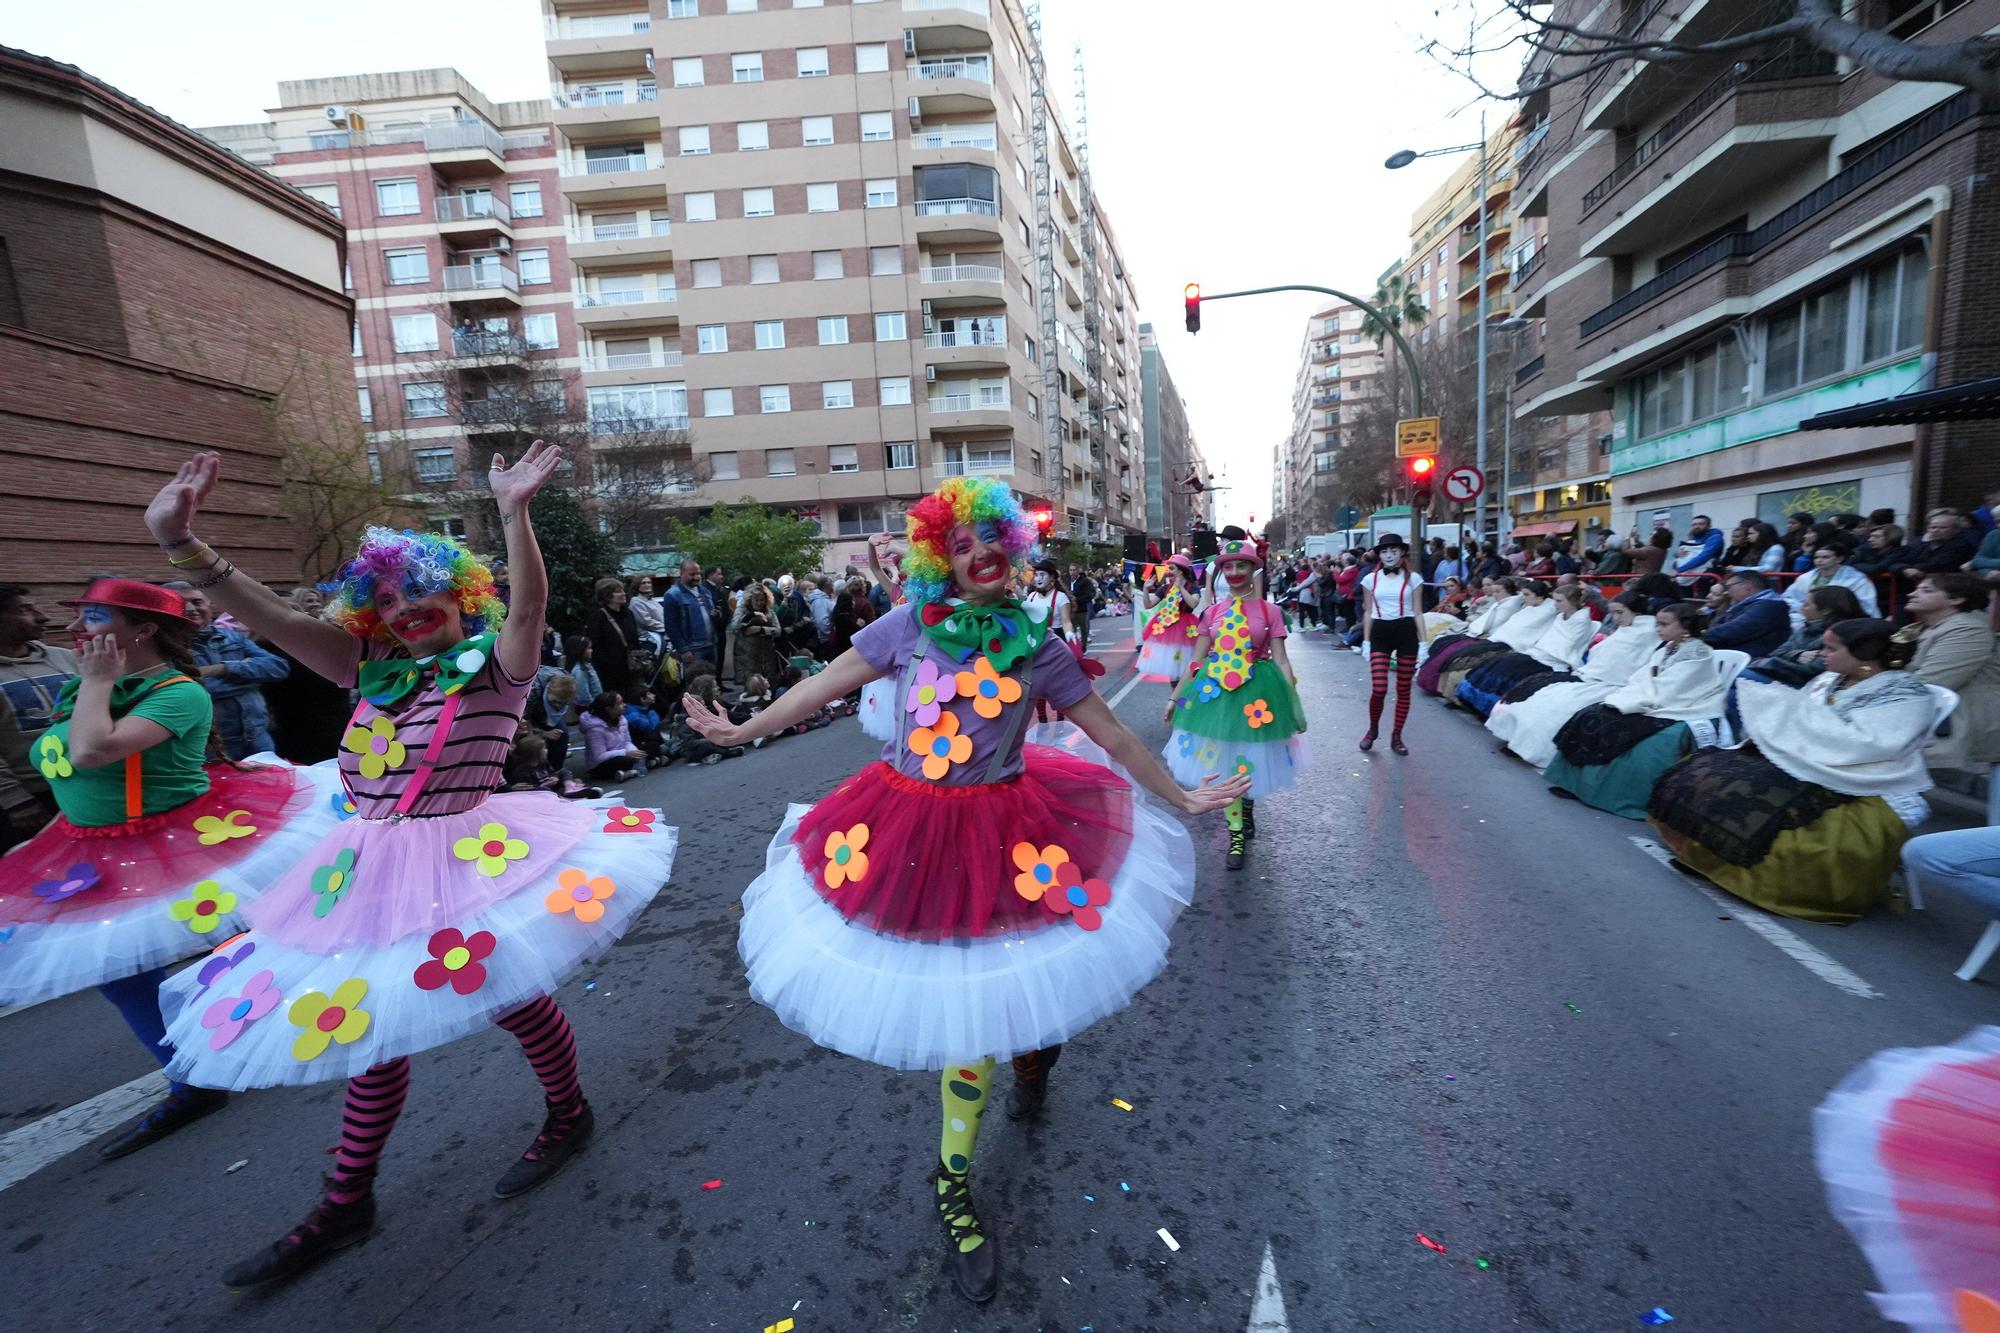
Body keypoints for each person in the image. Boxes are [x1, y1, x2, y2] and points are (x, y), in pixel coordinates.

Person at [679, 476, 1246, 1304]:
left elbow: (1114, 731)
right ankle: (952, 1182)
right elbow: (821, 683)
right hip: (910, 829)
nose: (979, 555)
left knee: (1025, 994)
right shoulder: (908, 624)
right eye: (961, 544)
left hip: (1014, 831)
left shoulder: (1040, 643)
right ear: (940, 557)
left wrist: (1183, 794)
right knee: (969, 1020)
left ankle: (1036, 1053)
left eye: (992, 541)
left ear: (1013, 551)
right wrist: (743, 729)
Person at [141, 445, 676, 1287]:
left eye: (420, 587)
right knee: (365, 1022)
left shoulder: (496, 671)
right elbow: (274, 618)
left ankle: (568, 1112)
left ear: (461, 594)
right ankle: (348, 1197)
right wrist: (184, 547)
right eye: (385, 597)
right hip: (367, 866)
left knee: (510, 994)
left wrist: (515, 515)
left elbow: (530, 608)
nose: (403, 606)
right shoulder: (369, 673)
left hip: (463, 852)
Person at [0, 578, 336, 1158]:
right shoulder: (92, 683)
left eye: (95, 617)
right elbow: (65, 768)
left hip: (176, 841)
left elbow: (88, 752)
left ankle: (265, 1032)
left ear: (144, 629)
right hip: (89, 847)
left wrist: (96, 683)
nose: (80, 630)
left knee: (231, 946)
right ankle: (192, 1079)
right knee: (118, 970)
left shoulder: (179, 693)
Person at [1648, 619, 1935, 923]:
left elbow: (1873, 744)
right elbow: (1806, 714)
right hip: (1811, 756)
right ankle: (1705, 859)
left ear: (1864, 654)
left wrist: (1797, 725)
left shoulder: (1904, 693)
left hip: (1863, 772)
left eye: (1831, 648)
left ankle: (1760, 881)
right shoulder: (1833, 678)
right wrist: (1790, 727)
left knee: (1760, 794)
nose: (1820, 653)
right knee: (1716, 768)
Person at [1163, 535, 1307, 870]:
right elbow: (1197, 662)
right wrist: (1176, 698)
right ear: (1222, 571)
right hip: (1216, 695)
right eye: (1228, 566)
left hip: (1257, 694)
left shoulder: (1270, 611)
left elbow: (1282, 660)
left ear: (1253, 569)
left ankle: (1246, 808)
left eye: (1242, 564)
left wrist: (1291, 699)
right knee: (1224, 764)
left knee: (1248, 759)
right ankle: (1236, 833)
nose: (1235, 571)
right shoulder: (1212, 612)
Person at [1544, 602, 1732, 818]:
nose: (1658, 629)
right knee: (1592, 714)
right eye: (1657, 624)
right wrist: (1635, 695)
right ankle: (1572, 783)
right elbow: (1644, 675)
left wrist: (1642, 699)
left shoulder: (1699, 653)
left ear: (1685, 627)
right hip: (1653, 698)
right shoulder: (1669, 647)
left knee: (1629, 734)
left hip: (1683, 706)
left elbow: (1678, 687)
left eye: (1664, 624)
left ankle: (1601, 793)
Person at [1489, 590, 1656, 769]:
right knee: (1542, 696)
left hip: (1610, 683)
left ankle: (1532, 750)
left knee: (1559, 707)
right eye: (1613, 613)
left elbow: (1626, 665)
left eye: (1620, 613)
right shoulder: (1628, 629)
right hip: (1590, 676)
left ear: (1636, 611)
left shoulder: (1645, 633)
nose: (1615, 619)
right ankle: (1518, 742)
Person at [0, 583, 78, 845]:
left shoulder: (66, 658)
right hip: (33, 799)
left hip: (90, 783)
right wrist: (15, 800)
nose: (43, 617)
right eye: (25, 610)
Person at [176, 584, 290, 759]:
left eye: (197, 601)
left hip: (259, 738)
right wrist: (250, 681)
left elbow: (279, 667)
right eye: (182, 603)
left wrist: (222, 669)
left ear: (208, 604)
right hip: (211, 747)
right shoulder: (167, 646)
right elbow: (190, 693)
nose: (191, 608)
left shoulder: (231, 637)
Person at [1903, 573, 2000, 776]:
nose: (1912, 594)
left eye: (1926, 590)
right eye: (1917, 588)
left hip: (1962, 723)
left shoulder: (1967, 630)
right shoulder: (1918, 629)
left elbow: (1931, 682)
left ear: (1956, 599)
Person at [1454, 583, 1595, 719]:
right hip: (1539, 653)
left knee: (1513, 669)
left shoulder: (1582, 621)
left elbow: (1567, 644)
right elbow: (1550, 637)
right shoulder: (1560, 615)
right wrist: (1538, 649)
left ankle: (1492, 709)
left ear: (1571, 602)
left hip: (1555, 659)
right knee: (1500, 661)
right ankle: (1473, 701)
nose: (1555, 604)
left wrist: (1542, 650)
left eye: (1559, 601)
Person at [259, 587, 350, 763]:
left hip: (339, 730)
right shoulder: (263, 652)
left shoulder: (324, 643)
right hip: (294, 736)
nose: (287, 616)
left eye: (293, 610)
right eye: (279, 611)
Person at [1438, 579, 1561, 704]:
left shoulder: (1548, 610)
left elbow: (1527, 630)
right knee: (1457, 651)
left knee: (1483, 663)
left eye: (1527, 595)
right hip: (1499, 639)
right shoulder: (1529, 607)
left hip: (1516, 645)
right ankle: (1450, 693)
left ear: (1539, 596)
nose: (1523, 598)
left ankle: (1463, 698)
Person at [1358, 535, 1423, 754]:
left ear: (1402, 553)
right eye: (1385, 551)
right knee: (1379, 688)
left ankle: (1397, 736)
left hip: (1406, 632)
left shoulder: (1414, 579)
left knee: (1404, 689)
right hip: (1380, 633)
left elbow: (1418, 611)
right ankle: (1372, 729)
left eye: (1394, 551)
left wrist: (1424, 643)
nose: (1389, 555)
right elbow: (1368, 611)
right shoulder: (1370, 579)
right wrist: (1366, 641)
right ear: (1379, 554)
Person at [1743, 585, 1864, 687]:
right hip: (1784, 675)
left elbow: (1814, 670)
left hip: (1807, 685)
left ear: (1825, 610)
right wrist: (1797, 654)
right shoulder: (1805, 628)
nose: (1802, 608)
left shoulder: (1841, 635)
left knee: (1738, 678)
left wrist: (1772, 663)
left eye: (1806, 605)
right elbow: (1776, 652)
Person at [1782, 533, 1880, 628]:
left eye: (1825, 557)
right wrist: (1802, 610)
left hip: (1840, 621)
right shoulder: (1805, 578)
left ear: (1839, 559)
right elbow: (1790, 598)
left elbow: (1865, 605)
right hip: (1804, 617)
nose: (1819, 560)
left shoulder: (1857, 579)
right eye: (1816, 557)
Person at [1134, 556, 1202, 681]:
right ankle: (1174, 699)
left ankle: (1185, 697)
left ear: (1180, 571)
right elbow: (1148, 605)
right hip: (1168, 627)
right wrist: (1145, 589)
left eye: (1171, 568)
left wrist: (1180, 587)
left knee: (1188, 669)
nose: (1168, 571)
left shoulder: (1192, 588)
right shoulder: (1165, 588)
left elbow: (1193, 603)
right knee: (1173, 668)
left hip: (1186, 629)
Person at [1702, 570, 1792, 658]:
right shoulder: (1747, 604)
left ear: (1747, 587)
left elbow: (1732, 632)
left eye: (1729, 587)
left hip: (1750, 661)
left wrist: (1700, 638)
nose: (1727, 592)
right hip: (1733, 655)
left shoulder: (1769, 606)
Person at [586, 575, 646, 698]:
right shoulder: (598, 617)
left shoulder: (628, 614)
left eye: (623, 590)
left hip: (632, 669)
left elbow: (634, 639)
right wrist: (609, 665)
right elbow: (595, 645)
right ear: (607, 595)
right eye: (618, 592)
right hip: (611, 673)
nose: (623, 594)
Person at [663, 558, 719, 669]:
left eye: (698, 573)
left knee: (711, 681)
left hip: (711, 644)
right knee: (695, 682)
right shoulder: (672, 595)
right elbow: (671, 625)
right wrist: (683, 649)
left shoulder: (704, 591)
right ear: (681, 574)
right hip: (692, 649)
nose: (696, 577)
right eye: (692, 574)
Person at [578, 691, 645, 782]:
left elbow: (627, 741)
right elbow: (599, 756)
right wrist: (625, 753)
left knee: (648, 746)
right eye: (619, 703)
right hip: (601, 765)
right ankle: (639, 767)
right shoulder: (595, 729)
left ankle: (631, 771)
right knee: (624, 761)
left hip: (622, 753)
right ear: (608, 709)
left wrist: (634, 751)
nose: (624, 705)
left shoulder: (621, 719)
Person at [1898, 509, 1979, 582]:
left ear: (1956, 530)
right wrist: (1905, 568)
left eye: (1943, 528)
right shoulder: (1921, 546)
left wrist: (1909, 568)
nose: (1936, 530)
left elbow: (1936, 565)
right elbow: (1896, 560)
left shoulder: (1961, 546)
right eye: (1933, 527)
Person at [1024, 558, 1076, 643]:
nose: (1038, 579)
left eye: (1042, 575)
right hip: (1036, 640)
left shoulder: (1061, 597)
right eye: (1036, 575)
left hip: (1055, 640)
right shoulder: (1031, 597)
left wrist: (1069, 633)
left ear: (1052, 577)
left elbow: (1066, 622)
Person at [560, 633, 601, 711]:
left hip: (595, 703)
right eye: (588, 648)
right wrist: (596, 707)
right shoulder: (579, 671)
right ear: (579, 650)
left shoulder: (586, 664)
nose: (591, 650)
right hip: (590, 707)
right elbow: (584, 694)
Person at [626, 574, 665, 649]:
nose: (647, 585)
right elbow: (647, 622)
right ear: (637, 586)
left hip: (663, 634)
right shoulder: (636, 601)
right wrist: (667, 628)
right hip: (651, 639)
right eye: (643, 583)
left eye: (649, 582)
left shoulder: (652, 600)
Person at [1070, 565, 1098, 653]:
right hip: (1070, 608)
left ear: (1078, 571)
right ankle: (1074, 646)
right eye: (1070, 570)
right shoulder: (1067, 581)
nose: (1072, 572)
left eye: (1074, 570)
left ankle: (1083, 646)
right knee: (1071, 628)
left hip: (1081, 608)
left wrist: (1078, 599)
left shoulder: (1085, 581)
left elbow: (1090, 593)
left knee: (1083, 627)